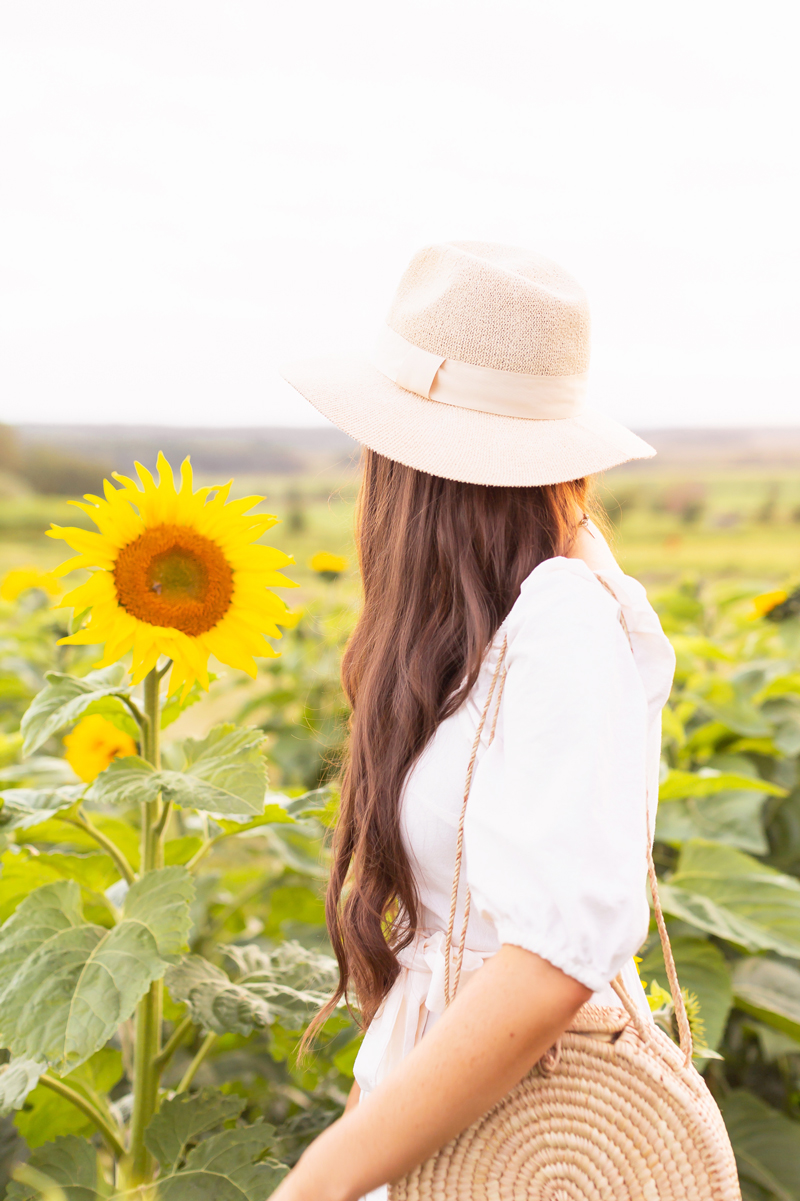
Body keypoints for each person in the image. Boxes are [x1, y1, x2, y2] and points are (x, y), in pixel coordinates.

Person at [272, 242, 676, 1201]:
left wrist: (317, 1181)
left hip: (523, 1144)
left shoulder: (562, 619)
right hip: (439, 1126)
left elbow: (551, 963)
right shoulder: (497, 623)